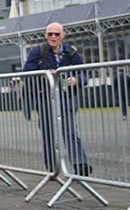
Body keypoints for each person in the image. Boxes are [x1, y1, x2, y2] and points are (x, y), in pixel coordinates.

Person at [20, 22, 91, 176]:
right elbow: (25, 74)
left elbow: (84, 72)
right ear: (45, 35)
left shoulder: (70, 52)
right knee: (48, 133)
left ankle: (81, 165)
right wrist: (45, 74)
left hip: (67, 98)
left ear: (62, 36)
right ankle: (53, 167)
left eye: (56, 34)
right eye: (50, 34)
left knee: (69, 130)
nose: (53, 37)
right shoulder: (37, 52)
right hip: (45, 98)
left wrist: (77, 79)